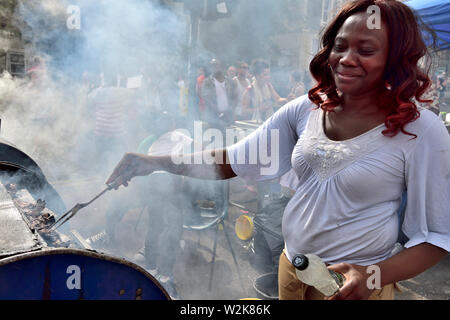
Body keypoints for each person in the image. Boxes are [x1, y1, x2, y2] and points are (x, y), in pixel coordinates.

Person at [106, 0, 449, 300]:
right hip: (292, 272)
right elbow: (232, 161)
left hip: (354, 290)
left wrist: (373, 275)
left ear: (395, 59)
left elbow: (436, 238)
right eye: (340, 46)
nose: (346, 59)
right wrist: (153, 162)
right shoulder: (306, 109)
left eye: (366, 50)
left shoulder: (421, 130)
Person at [201, 58, 234, 128]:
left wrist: (228, 111)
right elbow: (207, 99)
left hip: (228, 118)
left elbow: (233, 97)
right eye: (212, 66)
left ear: (221, 67)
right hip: (213, 119)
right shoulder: (207, 82)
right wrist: (219, 111)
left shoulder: (229, 81)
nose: (214, 68)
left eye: (216, 65)